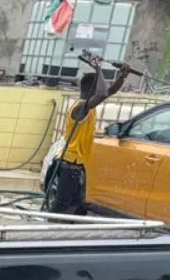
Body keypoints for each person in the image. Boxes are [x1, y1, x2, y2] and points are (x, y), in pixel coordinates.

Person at [43, 53, 128, 215]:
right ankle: (52, 225)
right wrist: (98, 69)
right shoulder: (79, 109)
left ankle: (69, 225)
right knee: (62, 205)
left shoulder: (88, 106)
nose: (102, 90)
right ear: (92, 91)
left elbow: (108, 92)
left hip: (77, 164)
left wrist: (122, 77)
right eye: (98, 87)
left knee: (78, 206)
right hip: (69, 164)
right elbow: (103, 93)